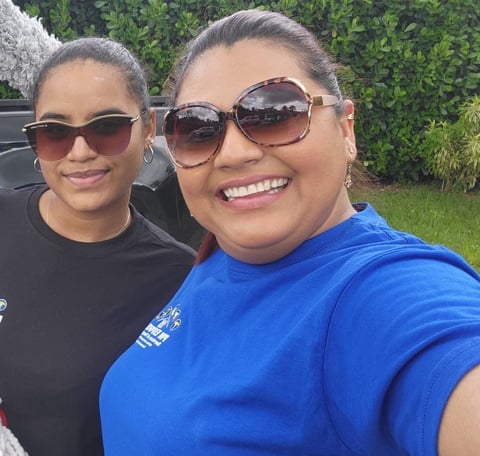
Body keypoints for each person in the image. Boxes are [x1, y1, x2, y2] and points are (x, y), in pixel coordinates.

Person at [100, 9, 480, 455]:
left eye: (274, 113)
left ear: (345, 130)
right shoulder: (225, 255)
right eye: (198, 129)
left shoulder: (379, 292)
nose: (234, 153)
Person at [0, 37, 195, 455]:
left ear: (149, 127)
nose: (80, 152)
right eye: (55, 132)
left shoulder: (180, 278)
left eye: (106, 127)